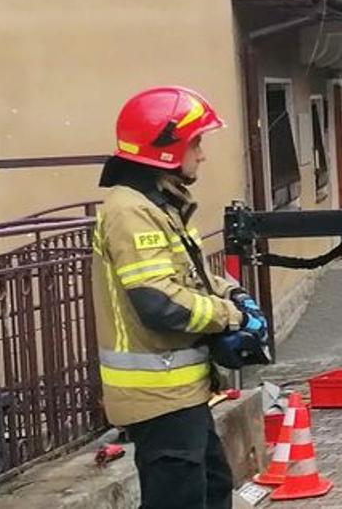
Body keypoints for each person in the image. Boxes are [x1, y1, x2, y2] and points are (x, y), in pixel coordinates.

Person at [93, 86, 270, 509]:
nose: (202, 155)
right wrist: (232, 317)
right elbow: (160, 303)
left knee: (211, 487)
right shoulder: (130, 211)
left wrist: (236, 294)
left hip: (182, 394)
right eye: (196, 142)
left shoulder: (159, 204)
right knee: (182, 499)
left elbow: (192, 276)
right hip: (159, 398)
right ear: (166, 147)